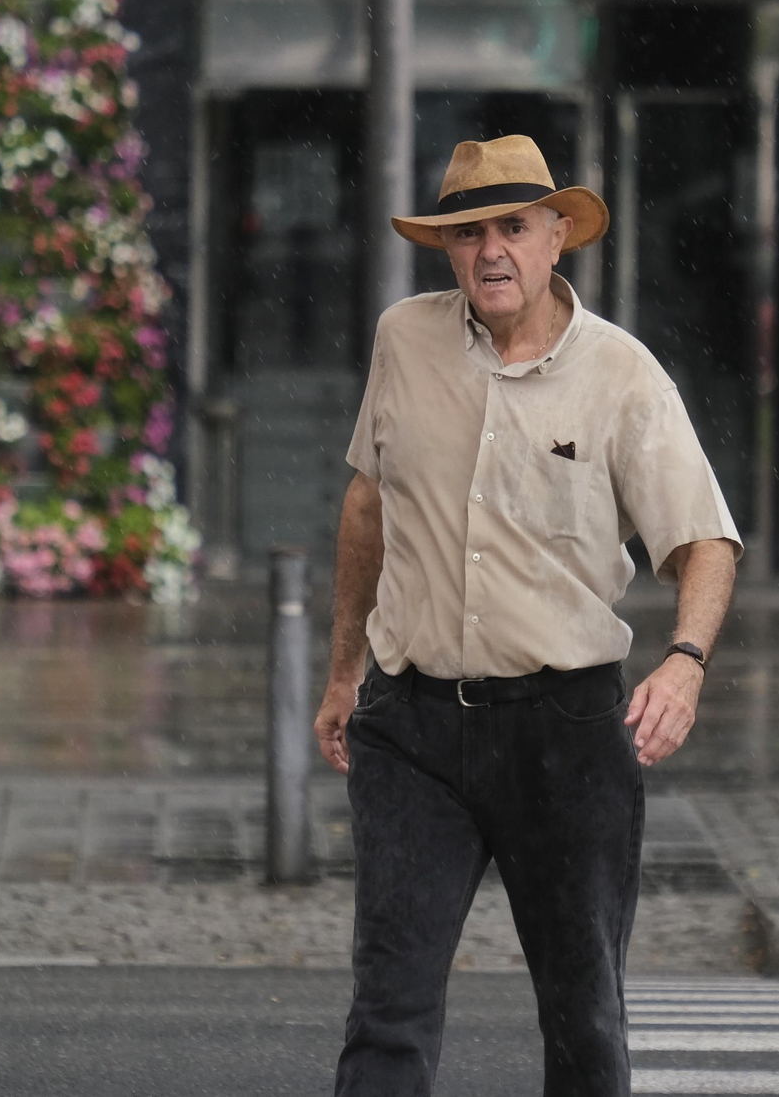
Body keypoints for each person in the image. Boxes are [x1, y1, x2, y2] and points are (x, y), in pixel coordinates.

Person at [312, 134, 742, 1097]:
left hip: (567, 729)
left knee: (584, 1017)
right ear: (447, 249)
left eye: (513, 227)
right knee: (388, 1011)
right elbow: (367, 504)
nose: (490, 251)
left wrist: (684, 661)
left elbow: (705, 540)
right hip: (411, 725)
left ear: (557, 238)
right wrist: (344, 672)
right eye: (469, 232)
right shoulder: (404, 338)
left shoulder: (623, 375)